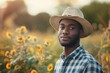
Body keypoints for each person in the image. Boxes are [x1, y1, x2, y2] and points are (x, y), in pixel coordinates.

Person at [49, 7, 103, 73]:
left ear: (80, 32)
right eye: (62, 27)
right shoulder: (59, 62)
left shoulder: (89, 64)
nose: (64, 31)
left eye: (71, 28)